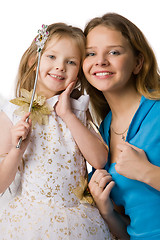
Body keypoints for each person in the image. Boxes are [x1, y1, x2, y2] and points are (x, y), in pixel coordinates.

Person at [0, 23, 111, 239]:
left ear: (78, 74)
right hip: (30, 221)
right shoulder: (13, 113)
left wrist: (67, 115)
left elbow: (99, 159)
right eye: (51, 57)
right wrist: (16, 150)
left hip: (77, 218)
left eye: (71, 62)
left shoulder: (77, 110)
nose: (60, 66)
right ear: (34, 61)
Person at [82, 13, 160, 240]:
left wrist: (146, 172)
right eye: (91, 53)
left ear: (138, 62)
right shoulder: (101, 134)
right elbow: (130, 232)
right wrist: (106, 210)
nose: (100, 61)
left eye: (114, 52)